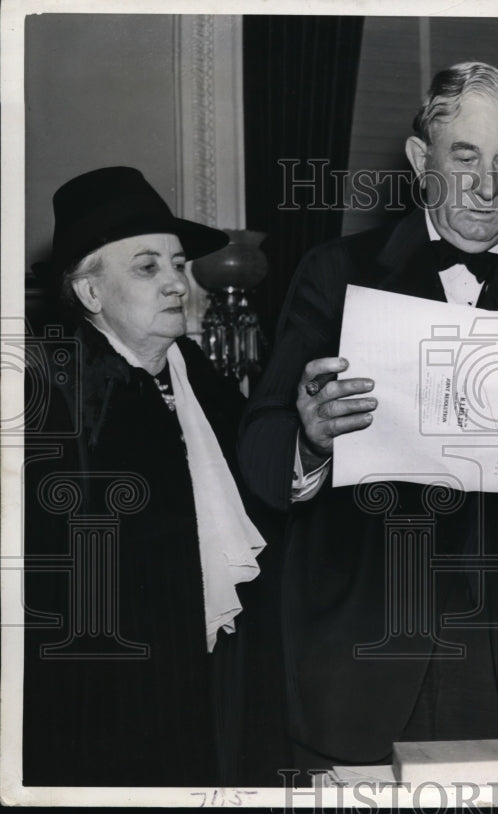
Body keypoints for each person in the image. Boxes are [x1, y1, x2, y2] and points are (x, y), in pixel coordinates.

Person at [238, 61, 498, 769]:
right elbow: (259, 450)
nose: (488, 188)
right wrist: (310, 441)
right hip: (360, 661)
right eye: (464, 159)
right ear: (418, 160)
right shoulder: (334, 273)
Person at [22, 166, 277, 786]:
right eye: (146, 267)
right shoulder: (58, 388)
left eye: (179, 264)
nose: (176, 283)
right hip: (104, 682)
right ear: (89, 293)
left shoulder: (193, 369)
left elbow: (258, 475)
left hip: (203, 664)